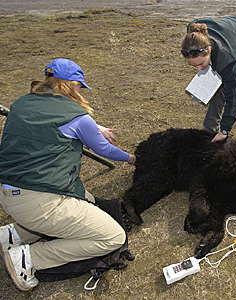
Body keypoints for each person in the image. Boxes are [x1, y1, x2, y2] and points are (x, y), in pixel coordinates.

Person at [0, 58, 136, 291]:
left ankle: (13, 235)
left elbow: (58, 126)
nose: (80, 91)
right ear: (72, 85)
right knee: (112, 237)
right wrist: (131, 158)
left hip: (9, 193)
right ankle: (29, 258)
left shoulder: (22, 103)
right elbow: (103, 149)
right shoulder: (75, 115)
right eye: (80, 86)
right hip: (39, 202)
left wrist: (94, 127)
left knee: (88, 200)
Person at [180, 16, 236, 154]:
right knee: (217, 88)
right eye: (193, 65)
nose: (199, 70)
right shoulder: (193, 35)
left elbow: (235, 97)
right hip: (231, 43)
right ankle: (209, 132)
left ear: (209, 50)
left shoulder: (227, 60)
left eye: (200, 64)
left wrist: (225, 130)